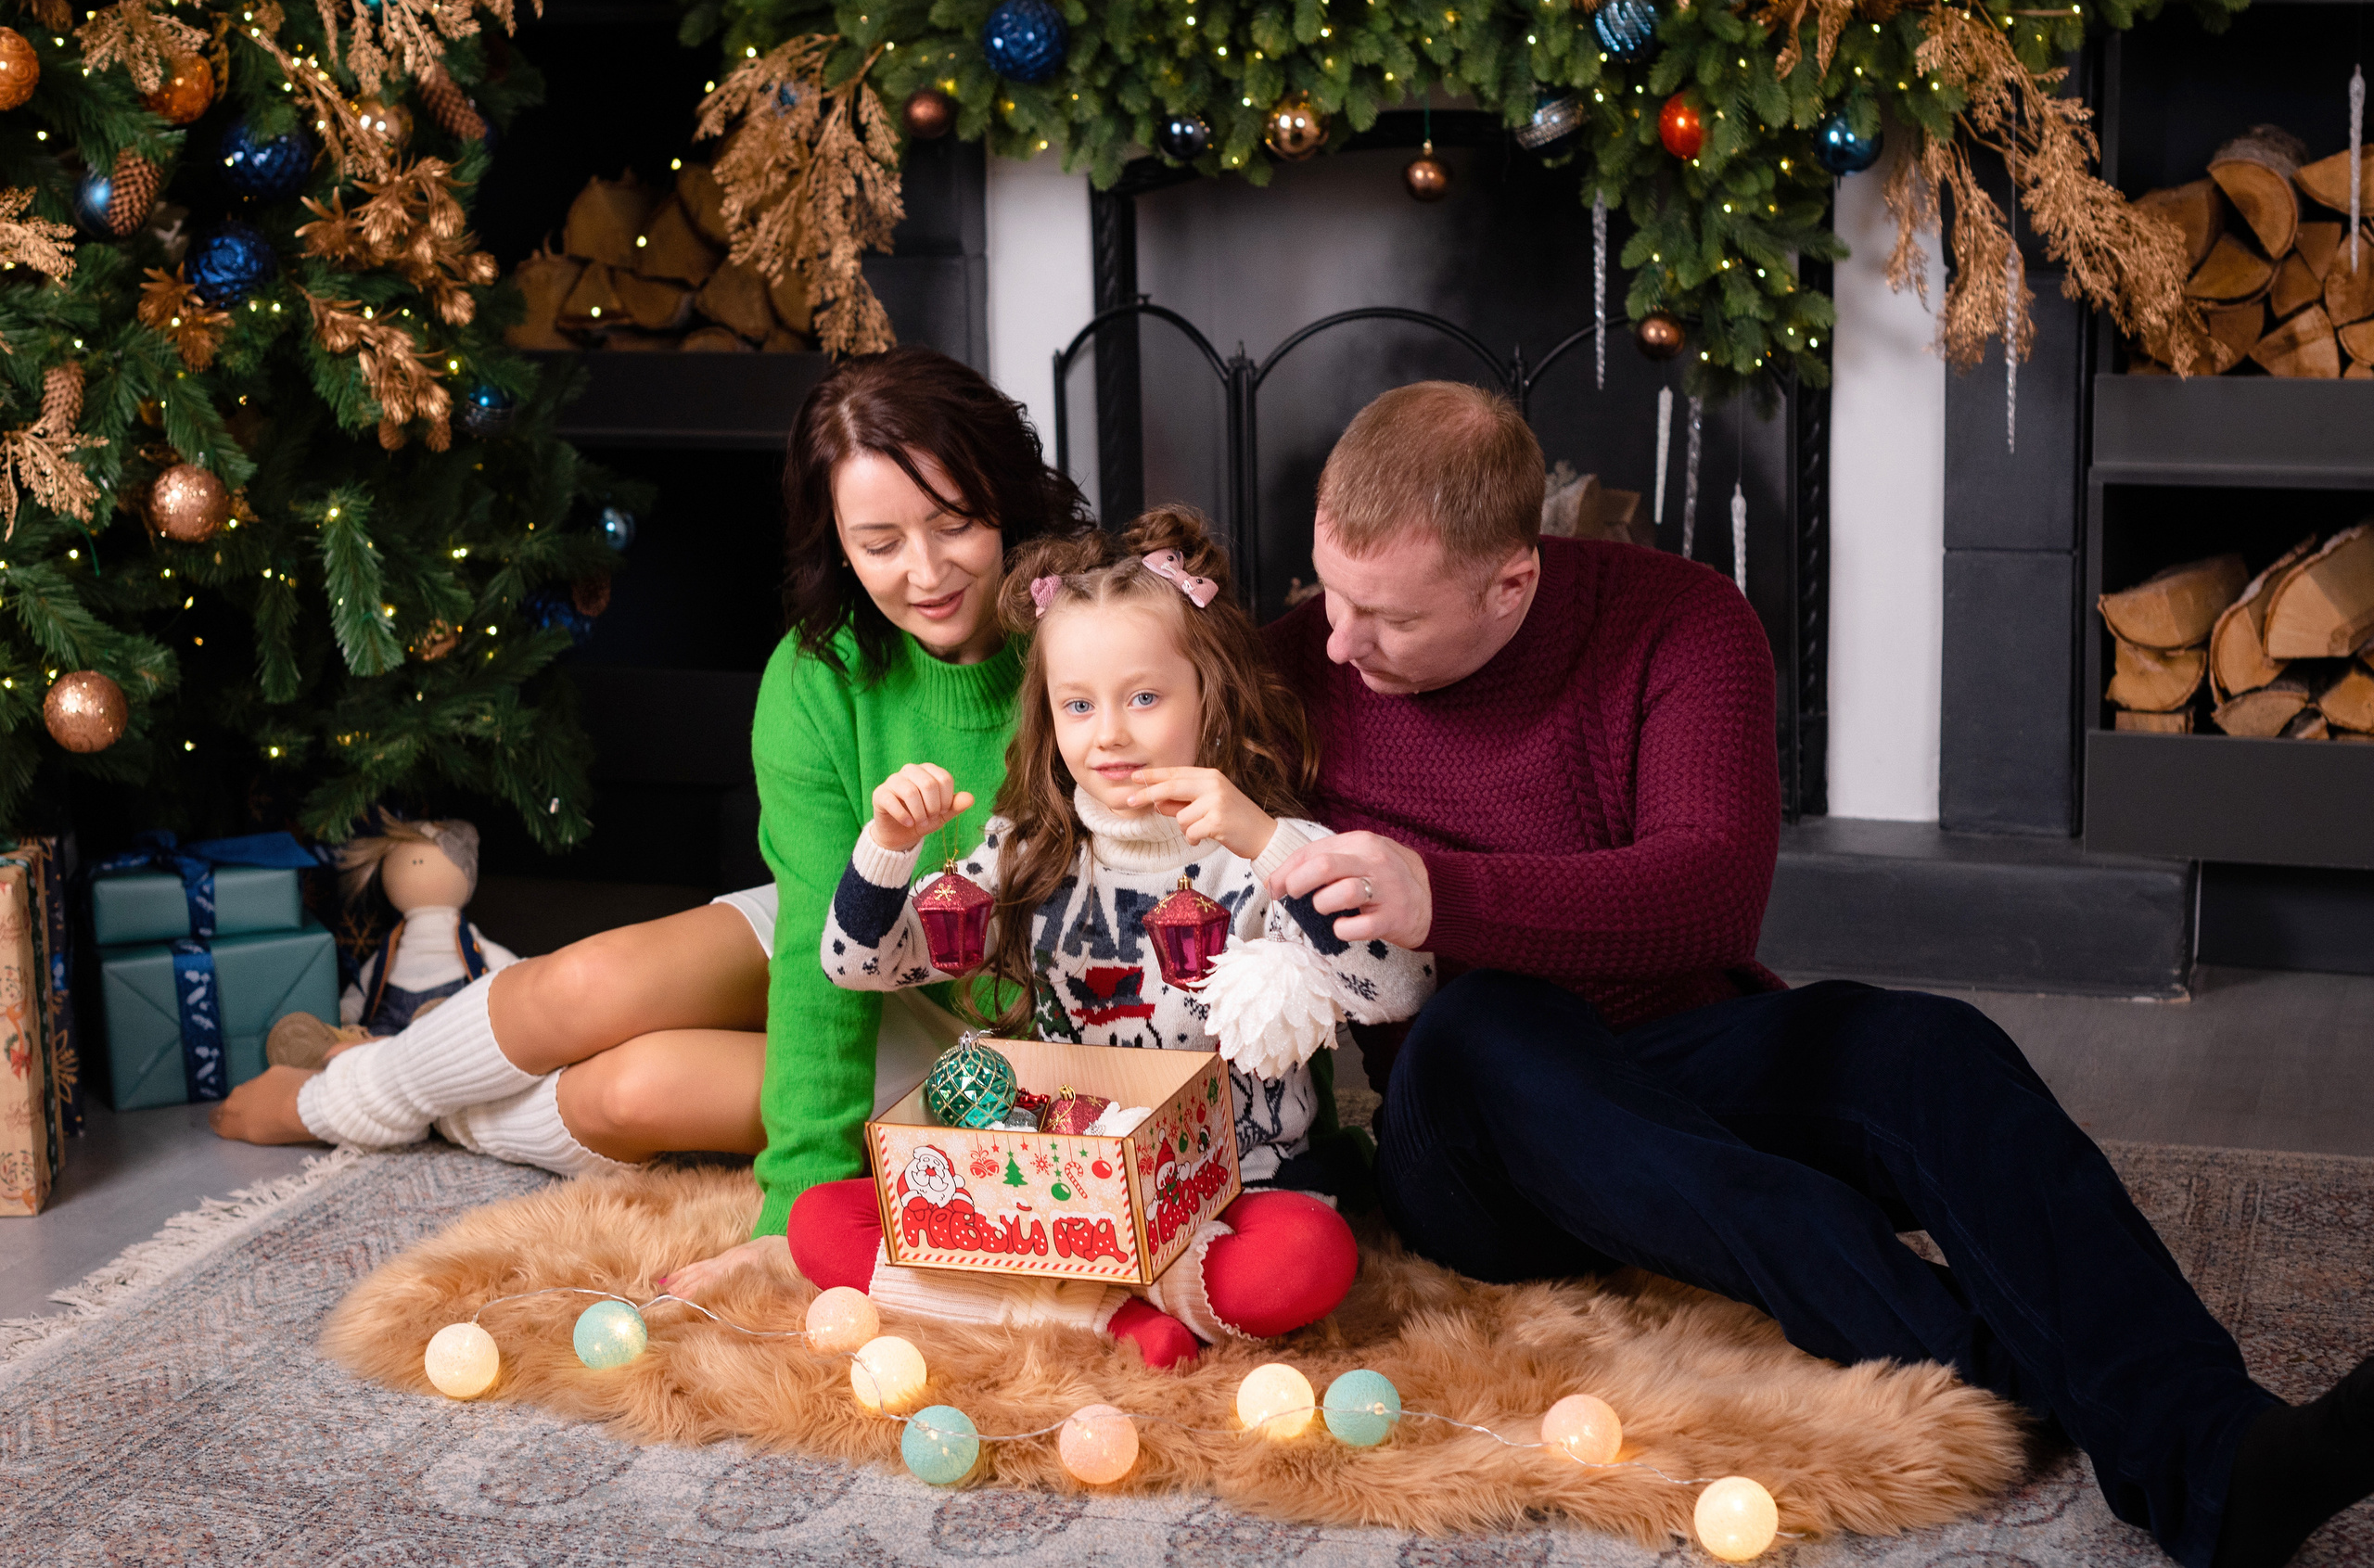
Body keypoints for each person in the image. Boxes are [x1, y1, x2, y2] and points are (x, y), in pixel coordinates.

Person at [1247, 380, 2374, 1568]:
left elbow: (1711, 893)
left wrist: (1445, 889)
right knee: (1483, 1020)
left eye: (1386, 617)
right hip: (1479, 1136)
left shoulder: (1679, 621)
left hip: (1677, 1054)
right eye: (1329, 592)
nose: (1337, 641)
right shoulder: (1286, 676)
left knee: (1931, 1052)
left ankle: (2223, 1461)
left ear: (1511, 580)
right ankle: (1991, 1357)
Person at [211, 351, 1092, 1290]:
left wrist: (794, 1228)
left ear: (1006, 494)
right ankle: (346, 1093)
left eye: (952, 523)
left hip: (989, 1019)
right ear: (835, 540)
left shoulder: (1087, 637)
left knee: (627, 1087)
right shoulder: (820, 673)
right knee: (582, 983)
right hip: (853, 919)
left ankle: (430, 1101)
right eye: (879, 543)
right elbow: (813, 950)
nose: (924, 571)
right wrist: (807, 1197)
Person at [787, 508, 1431, 1368]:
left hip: (1228, 1191)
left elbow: (1396, 992)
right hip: (1062, 1190)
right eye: (1078, 705)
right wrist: (891, 848)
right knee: (822, 1222)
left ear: (1212, 692)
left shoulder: (1271, 849)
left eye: (1145, 698)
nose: (1110, 734)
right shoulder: (1025, 849)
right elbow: (856, 965)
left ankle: (1047, 1302)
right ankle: (1113, 1317)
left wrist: (1264, 840)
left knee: (1309, 1261)